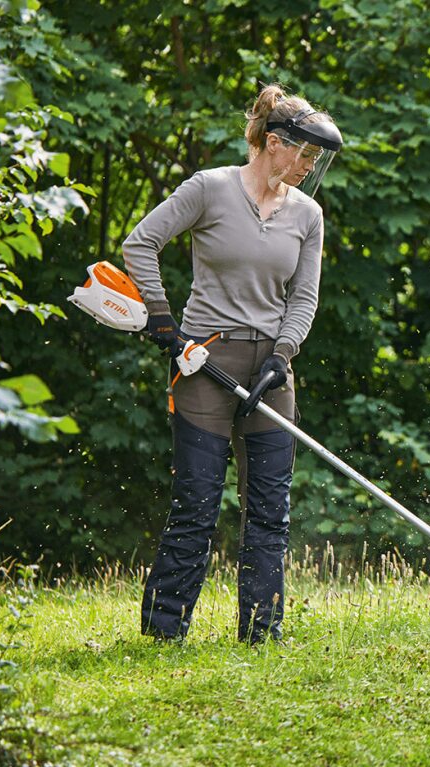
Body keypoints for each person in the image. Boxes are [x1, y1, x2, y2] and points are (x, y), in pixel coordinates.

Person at [122, 83, 342, 644]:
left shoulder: (308, 215)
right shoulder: (210, 189)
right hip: (202, 360)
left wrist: (283, 354)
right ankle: (164, 633)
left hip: (271, 369)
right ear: (274, 142)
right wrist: (164, 323)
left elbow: (304, 298)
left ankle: (261, 635)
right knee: (196, 502)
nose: (309, 166)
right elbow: (140, 244)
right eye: (306, 154)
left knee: (270, 510)